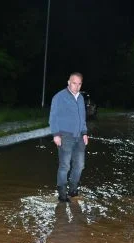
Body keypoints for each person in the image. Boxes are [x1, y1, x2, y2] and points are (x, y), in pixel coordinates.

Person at [49, 72, 89, 202]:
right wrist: (56, 134)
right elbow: (53, 117)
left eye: (79, 84)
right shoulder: (59, 97)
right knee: (65, 165)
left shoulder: (81, 98)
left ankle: (73, 190)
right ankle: (61, 193)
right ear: (68, 82)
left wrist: (84, 133)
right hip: (65, 135)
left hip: (79, 137)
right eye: (74, 83)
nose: (76, 86)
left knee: (80, 165)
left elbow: (82, 118)